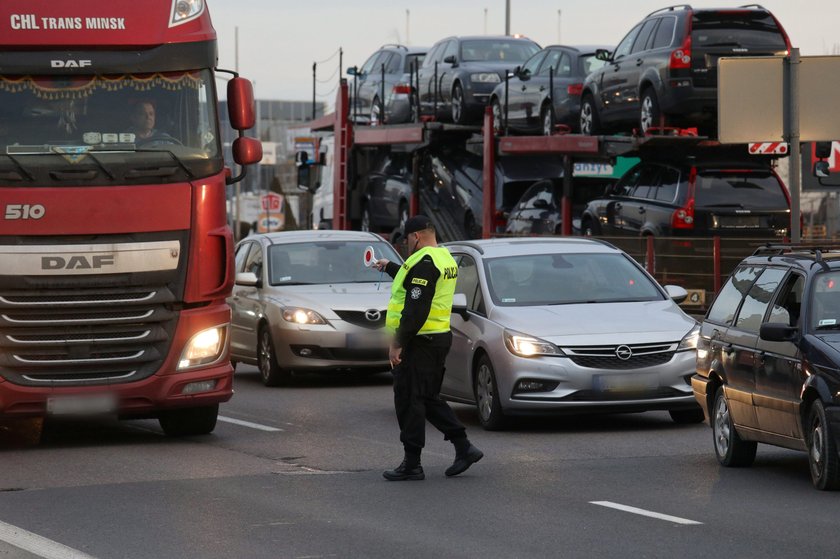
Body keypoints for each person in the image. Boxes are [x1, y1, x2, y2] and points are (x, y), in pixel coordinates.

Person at [375, 215, 483, 481]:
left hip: (419, 341)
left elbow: (416, 307)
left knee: (409, 400)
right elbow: (414, 282)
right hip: (438, 338)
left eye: (407, 239)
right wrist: (389, 266)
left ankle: (412, 464)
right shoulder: (443, 257)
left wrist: (398, 343)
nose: (406, 244)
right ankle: (463, 446)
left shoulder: (425, 262)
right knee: (427, 397)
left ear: (417, 237)